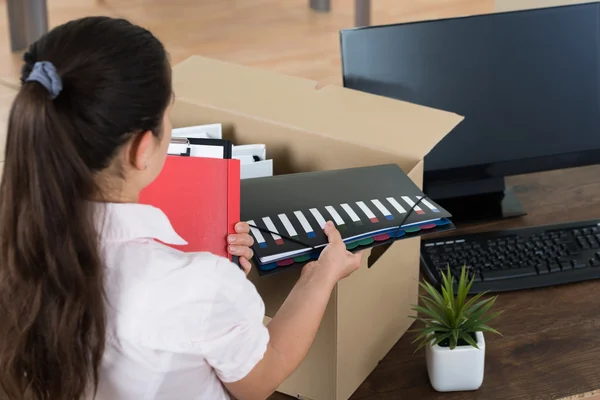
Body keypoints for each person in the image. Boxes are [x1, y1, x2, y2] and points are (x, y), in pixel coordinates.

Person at [0, 16, 362, 400]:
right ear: (143, 148)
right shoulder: (200, 286)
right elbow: (260, 378)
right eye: (168, 113)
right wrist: (319, 277)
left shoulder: (16, 239)